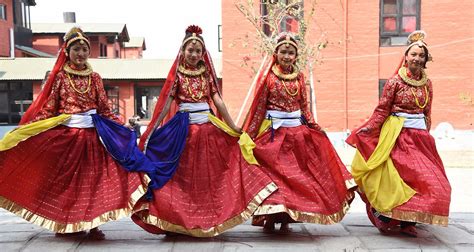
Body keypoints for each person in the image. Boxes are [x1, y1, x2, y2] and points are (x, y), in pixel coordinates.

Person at [0, 27, 150, 240]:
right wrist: (27, 129)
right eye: (76, 49)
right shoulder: (60, 77)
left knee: (93, 183)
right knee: (69, 185)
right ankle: (68, 224)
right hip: (67, 138)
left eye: (84, 49)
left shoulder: (95, 78)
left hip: (93, 138)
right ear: (67, 51)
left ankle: (94, 224)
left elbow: (104, 109)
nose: (80, 53)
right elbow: (49, 109)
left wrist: (120, 126)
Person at [131, 25, 277, 237]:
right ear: (182, 51)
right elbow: (165, 104)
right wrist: (152, 130)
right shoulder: (177, 76)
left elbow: (217, 100)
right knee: (181, 179)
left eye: (198, 51)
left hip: (208, 131)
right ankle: (176, 220)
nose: (194, 54)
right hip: (183, 133)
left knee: (211, 177)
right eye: (190, 50)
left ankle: (211, 219)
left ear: (203, 54)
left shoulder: (206, 75)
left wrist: (233, 126)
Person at [242, 33, 355, 232]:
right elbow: (259, 108)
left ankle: (288, 217)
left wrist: (313, 125)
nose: (287, 56)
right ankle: (270, 217)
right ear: (275, 53)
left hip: (297, 135)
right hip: (273, 135)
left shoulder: (300, 77)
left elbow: (304, 106)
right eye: (283, 52)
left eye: (291, 53)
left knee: (296, 178)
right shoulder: (268, 78)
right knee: (276, 177)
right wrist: (249, 135)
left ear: (296, 56)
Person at [346, 30, 451, 237]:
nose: (417, 59)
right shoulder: (394, 82)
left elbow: (427, 112)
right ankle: (401, 220)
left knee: (432, 181)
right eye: (414, 54)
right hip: (397, 137)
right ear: (406, 56)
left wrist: (427, 138)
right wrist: (366, 130)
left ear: (426, 59)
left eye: (421, 56)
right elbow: (382, 110)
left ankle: (413, 217)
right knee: (401, 179)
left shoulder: (427, 83)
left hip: (421, 139)